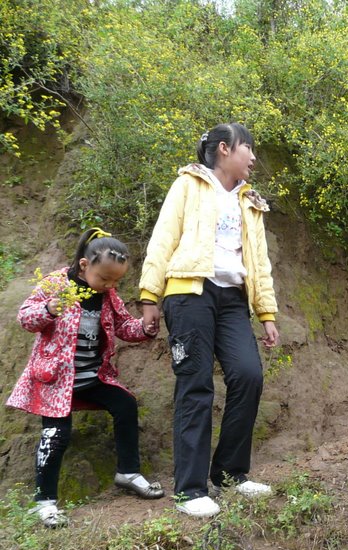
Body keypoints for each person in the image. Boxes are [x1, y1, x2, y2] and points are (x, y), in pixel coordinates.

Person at [139, 122, 279, 519]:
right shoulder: (188, 185)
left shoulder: (250, 203)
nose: (252, 157)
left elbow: (259, 263)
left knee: (248, 375)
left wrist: (266, 312)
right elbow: (163, 237)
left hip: (233, 298)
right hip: (189, 293)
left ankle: (231, 472)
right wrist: (150, 295)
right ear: (223, 149)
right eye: (247, 148)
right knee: (196, 384)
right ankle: (190, 488)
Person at [6, 228, 164, 527]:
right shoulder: (56, 284)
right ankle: (45, 501)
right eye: (104, 278)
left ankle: (128, 472)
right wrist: (50, 308)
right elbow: (26, 318)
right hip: (54, 381)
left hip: (92, 377)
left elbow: (124, 327)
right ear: (84, 265)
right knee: (55, 436)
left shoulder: (108, 296)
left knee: (125, 404)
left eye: (116, 280)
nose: (110, 285)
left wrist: (145, 328)